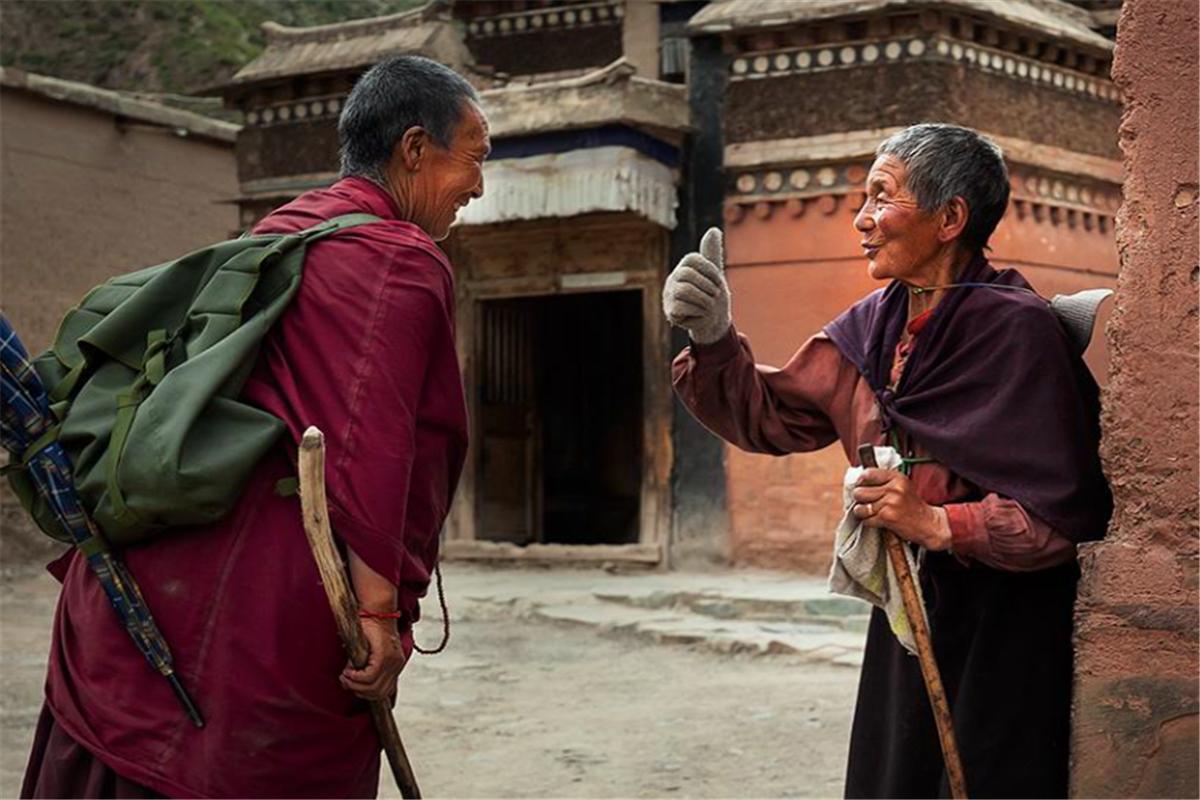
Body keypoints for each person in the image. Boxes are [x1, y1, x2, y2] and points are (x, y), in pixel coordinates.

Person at [21, 55, 488, 797]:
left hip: (133, 594)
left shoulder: (280, 235)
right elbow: (372, 456)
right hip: (251, 621)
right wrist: (377, 614)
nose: (480, 186)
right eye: (475, 158)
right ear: (413, 149)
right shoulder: (395, 261)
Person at [664, 123, 1111, 798]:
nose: (861, 220)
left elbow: (1063, 515)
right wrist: (714, 337)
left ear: (950, 217)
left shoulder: (1020, 333)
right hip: (908, 609)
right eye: (862, 199)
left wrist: (937, 523)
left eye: (881, 197)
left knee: (991, 776)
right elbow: (772, 414)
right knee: (895, 776)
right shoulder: (873, 326)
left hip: (1004, 621)